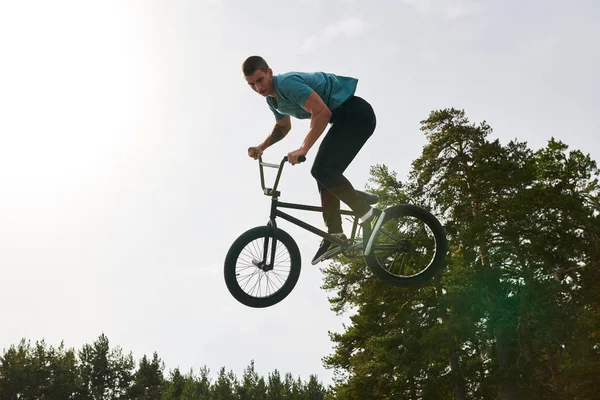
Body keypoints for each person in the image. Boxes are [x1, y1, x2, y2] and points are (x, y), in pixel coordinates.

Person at [242, 55, 377, 265]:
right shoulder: (272, 99)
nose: (258, 88)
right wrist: (262, 147)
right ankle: (336, 234)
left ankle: (368, 215)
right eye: (251, 85)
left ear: (269, 72)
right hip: (343, 119)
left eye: (260, 80)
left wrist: (303, 148)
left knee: (323, 170)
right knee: (324, 173)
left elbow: (322, 112)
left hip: (355, 114)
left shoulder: (287, 84)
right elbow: (283, 127)